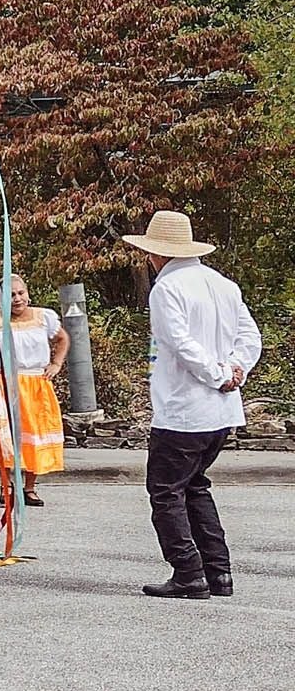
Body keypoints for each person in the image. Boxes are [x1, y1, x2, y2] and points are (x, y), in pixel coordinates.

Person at [123, 210, 261, 600]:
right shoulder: (223, 284)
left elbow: (181, 345)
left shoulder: (167, 289)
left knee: (166, 491)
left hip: (184, 408)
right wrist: (235, 369)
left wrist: (218, 373)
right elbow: (250, 336)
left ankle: (187, 569)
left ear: (157, 254)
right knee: (195, 486)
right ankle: (219, 571)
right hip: (221, 410)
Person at [0, 275, 69, 506]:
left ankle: (29, 487)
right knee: (6, 437)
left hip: (36, 383)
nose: (17, 299)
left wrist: (56, 363)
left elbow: (62, 338)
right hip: (6, 383)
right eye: (11, 295)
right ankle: (6, 487)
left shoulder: (42, 316)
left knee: (34, 434)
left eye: (20, 293)